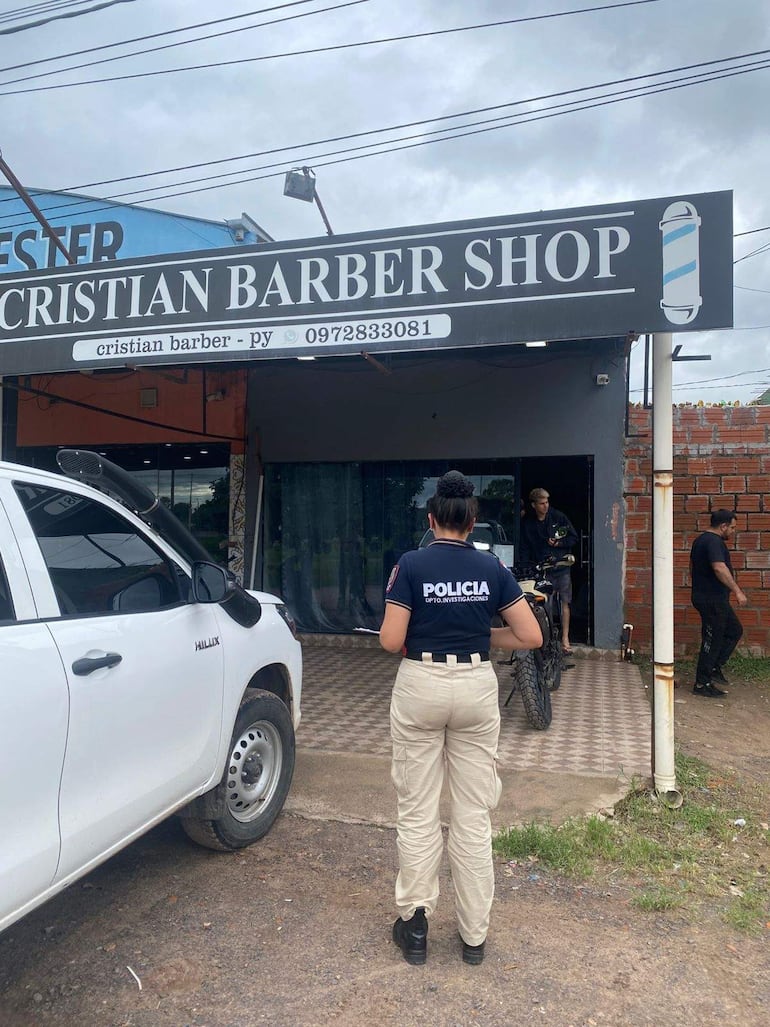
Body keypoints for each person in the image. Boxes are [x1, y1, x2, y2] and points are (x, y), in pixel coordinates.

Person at [379, 470, 542, 966]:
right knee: (472, 816)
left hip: (421, 686)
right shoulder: (493, 569)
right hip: (475, 688)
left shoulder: (410, 564)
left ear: (432, 520)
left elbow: (389, 640)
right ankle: (474, 936)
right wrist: (483, 637)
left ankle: (416, 925)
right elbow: (531, 636)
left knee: (418, 809)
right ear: (472, 522)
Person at [690, 508, 747, 698]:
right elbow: (719, 567)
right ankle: (702, 683)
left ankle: (714, 667)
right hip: (711, 600)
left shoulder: (702, 540)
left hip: (713, 598)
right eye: (732, 527)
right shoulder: (712, 542)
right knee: (712, 640)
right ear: (723, 526)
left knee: (733, 630)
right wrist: (737, 591)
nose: (733, 531)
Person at [518, 487, 578, 653]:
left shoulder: (558, 516)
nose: (546, 506)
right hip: (542, 570)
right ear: (533, 505)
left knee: (565, 602)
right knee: (546, 605)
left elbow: (573, 537)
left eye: (547, 502)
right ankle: (549, 640)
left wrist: (559, 544)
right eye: (542, 503)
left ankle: (565, 638)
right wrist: (526, 566)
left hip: (561, 566)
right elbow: (524, 547)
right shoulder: (528, 524)